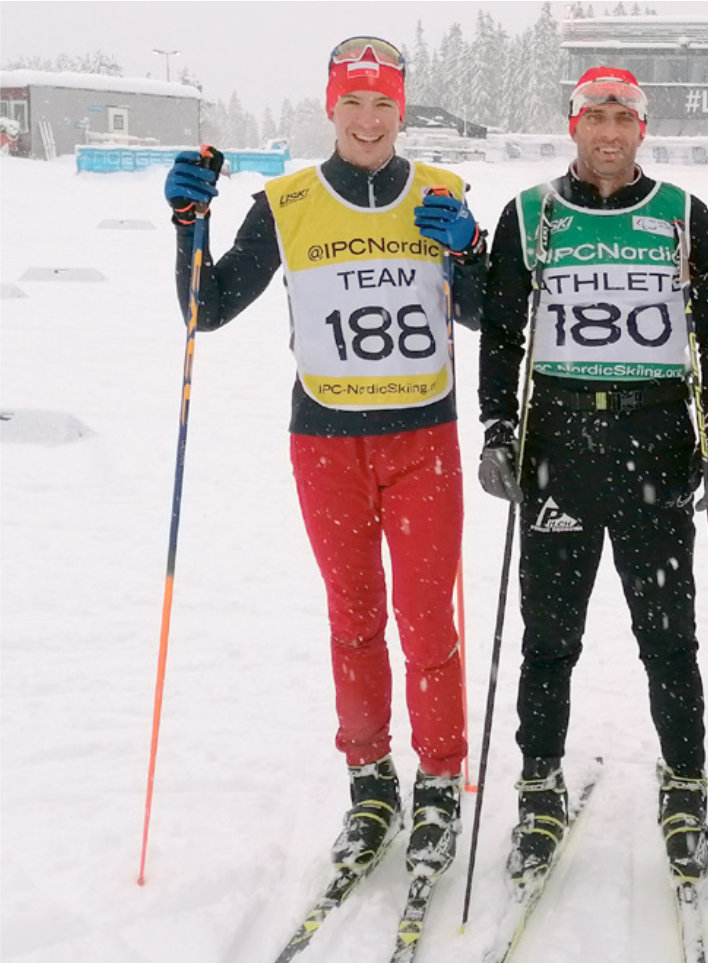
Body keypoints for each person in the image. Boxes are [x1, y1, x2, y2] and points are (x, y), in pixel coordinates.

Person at [161, 36, 487, 880]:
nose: (369, 121)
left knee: (426, 622)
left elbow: (487, 314)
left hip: (424, 438)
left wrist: (470, 251)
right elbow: (210, 307)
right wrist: (188, 226)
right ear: (331, 108)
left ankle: (441, 781)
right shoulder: (290, 200)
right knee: (354, 618)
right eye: (354, 104)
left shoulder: (444, 191)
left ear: (401, 110)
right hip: (326, 441)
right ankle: (370, 779)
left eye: (383, 105)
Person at [476, 67, 708, 885]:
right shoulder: (531, 212)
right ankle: (539, 784)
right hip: (559, 440)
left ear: (642, 130)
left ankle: (686, 783)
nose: (609, 132)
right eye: (596, 117)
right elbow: (500, 331)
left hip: (656, 435)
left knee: (669, 635)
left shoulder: (682, 214)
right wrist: (497, 427)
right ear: (574, 126)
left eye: (623, 117)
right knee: (550, 636)